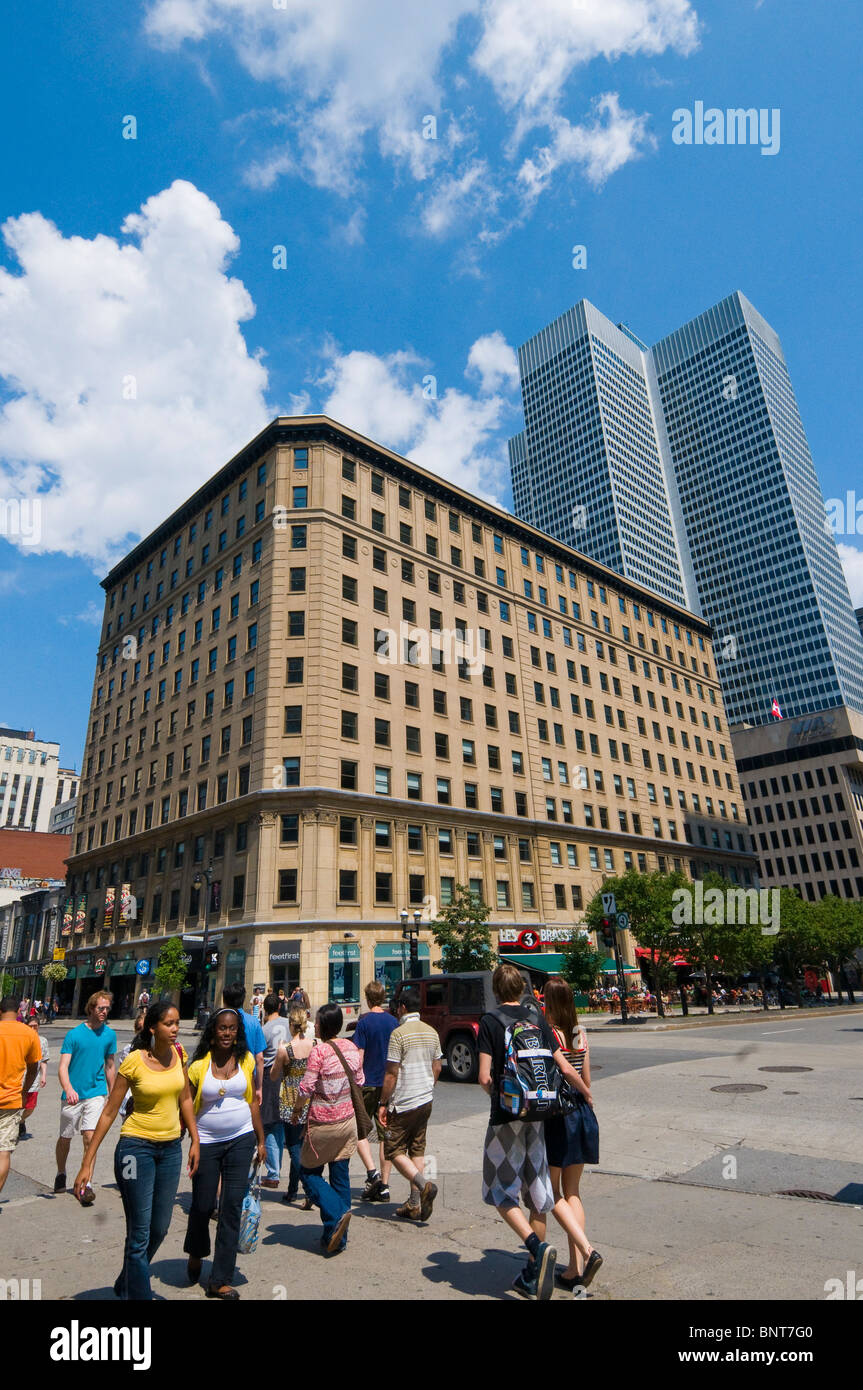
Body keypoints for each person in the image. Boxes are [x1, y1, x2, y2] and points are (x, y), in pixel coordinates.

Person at [477, 962, 602, 1300]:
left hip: (508, 1118)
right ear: (521, 989)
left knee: (500, 1190)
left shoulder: (490, 1021)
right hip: (541, 1116)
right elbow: (563, 1066)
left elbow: (485, 1078)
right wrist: (587, 1094)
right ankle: (539, 1270)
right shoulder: (536, 1021)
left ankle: (537, 1248)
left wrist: (505, 1101)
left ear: (495, 991)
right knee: (539, 1195)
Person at [73, 1001, 199, 1300]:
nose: (176, 1029)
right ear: (153, 1027)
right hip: (134, 1151)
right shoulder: (133, 1062)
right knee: (140, 1234)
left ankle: (126, 1281)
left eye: (177, 1023)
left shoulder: (179, 1054)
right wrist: (87, 1163)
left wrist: (195, 1139)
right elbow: (108, 1112)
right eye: (169, 1024)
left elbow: (184, 1099)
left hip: (170, 1150)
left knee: (160, 1229)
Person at [184, 1008, 266, 1299]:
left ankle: (219, 1279)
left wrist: (260, 1139)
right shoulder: (198, 1067)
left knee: (231, 1207)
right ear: (213, 1031)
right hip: (206, 1141)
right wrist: (190, 1141)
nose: (227, 1033)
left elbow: (252, 1102)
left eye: (232, 1029)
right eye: (222, 1028)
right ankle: (196, 1250)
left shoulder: (245, 1060)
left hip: (241, 1139)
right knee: (203, 1204)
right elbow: (186, 1106)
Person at [541, 978, 601, 1291]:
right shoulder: (580, 1033)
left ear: (550, 1003)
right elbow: (586, 1074)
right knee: (573, 1192)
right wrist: (587, 1095)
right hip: (582, 1113)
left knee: (552, 1193)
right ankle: (574, 1269)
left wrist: (583, 1090)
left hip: (559, 1115)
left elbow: (566, 1071)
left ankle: (586, 1254)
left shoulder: (549, 1033)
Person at [290, 1003, 363, 1255]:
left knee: (308, 1173)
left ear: (324, 1025)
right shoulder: (352, 1048)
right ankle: (336, 1237)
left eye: (318, 1022)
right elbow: (360, 1082)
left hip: (322, 1124)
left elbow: (306, 1088)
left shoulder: (318, 1052)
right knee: (340, 1175)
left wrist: (297, 1110)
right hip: (347, 1123)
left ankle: (337, 1211)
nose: (316, 1026)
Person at [377, 986, 441, 1221]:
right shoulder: (432, 1032)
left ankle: (423, 1186)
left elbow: (391, 1074)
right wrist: (428, 1085)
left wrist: (383, 1103)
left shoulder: (399, 1033)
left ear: (402, 1007)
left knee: (393, 1149)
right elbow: (437, 1067)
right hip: (425, 1099)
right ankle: (415, 1203)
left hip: (404, 1101)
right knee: (417, 1148)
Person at [55, 991, 117, 1205]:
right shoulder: (74, 1034)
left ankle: (85, 1183)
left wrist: (113, 1092)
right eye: (101, 1008)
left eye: (107, 1008)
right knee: (65, 1137)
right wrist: (69, 1088)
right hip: (73, 1094)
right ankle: (61, 1172)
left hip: (96, 1093)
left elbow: (110, 1065)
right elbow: (63, 1067)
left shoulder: (110, 1035)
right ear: (91, 1008)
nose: (104, 1012)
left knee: (90, 1137)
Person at [353, 980, 399, 1201]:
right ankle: (385, 1185)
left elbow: (359, 1055)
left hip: (367, 1082)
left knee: (359, 1130)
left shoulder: (363, 1023)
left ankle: (372, 1172)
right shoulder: (393, 1022)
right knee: (385, 1135)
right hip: (388, 1084)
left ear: (367, 998)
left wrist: (355, 1079)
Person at [272, 1006, 314, 1208]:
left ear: (291, 1024)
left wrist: (279, 1052)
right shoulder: (313, 1045)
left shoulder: (285, 1049)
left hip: (290, 1100)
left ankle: (308, 1189)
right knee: (304, 1146)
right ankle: (292, 1190)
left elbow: (273, 1075)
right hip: (309, 1099)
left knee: (294, 1149)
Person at [0, 997, 41, 1203]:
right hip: (11, 1101)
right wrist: (25, 1091)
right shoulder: (28, 1034)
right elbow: (34, 1068)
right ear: (18, 1011)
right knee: (3, 1152)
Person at [260, 993, 290, 1188]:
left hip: (269, 1076)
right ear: (279, 1007)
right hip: (287, 1075)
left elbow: (260, 1057)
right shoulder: (289, 1023)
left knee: (270, 1124)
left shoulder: (263, 1029)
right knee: (279, 1124)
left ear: (264, 1008)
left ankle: (273, 1172)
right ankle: (276, 1169)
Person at [222, 983, 265, 1102]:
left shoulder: (218, 1021)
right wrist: (259, 1087)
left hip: (222, 1078)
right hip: (248, 1079)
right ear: (243, 999)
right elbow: (260, 1058)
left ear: (224, 1000)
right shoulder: (253, 1022)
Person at [19, 1017, 49, 1138]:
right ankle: (13, 1125)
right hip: (20, 1079)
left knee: (30, 1107)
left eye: (35, 1026)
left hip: (34, 1080)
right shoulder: (21, 1039)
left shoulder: (42, 1041)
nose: (33, 1028)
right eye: (30, 1026)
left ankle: (21, 1121)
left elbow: (44, 1060)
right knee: (17, 1105)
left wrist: (44, 1076)